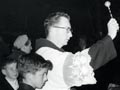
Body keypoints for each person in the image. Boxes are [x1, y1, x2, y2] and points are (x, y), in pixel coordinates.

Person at [35, 12, 119, 90]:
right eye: (67, 29)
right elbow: (82, 63)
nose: (71, 35)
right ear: (53, 29)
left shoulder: (46, 51)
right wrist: (110, 36)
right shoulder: (48, 54)